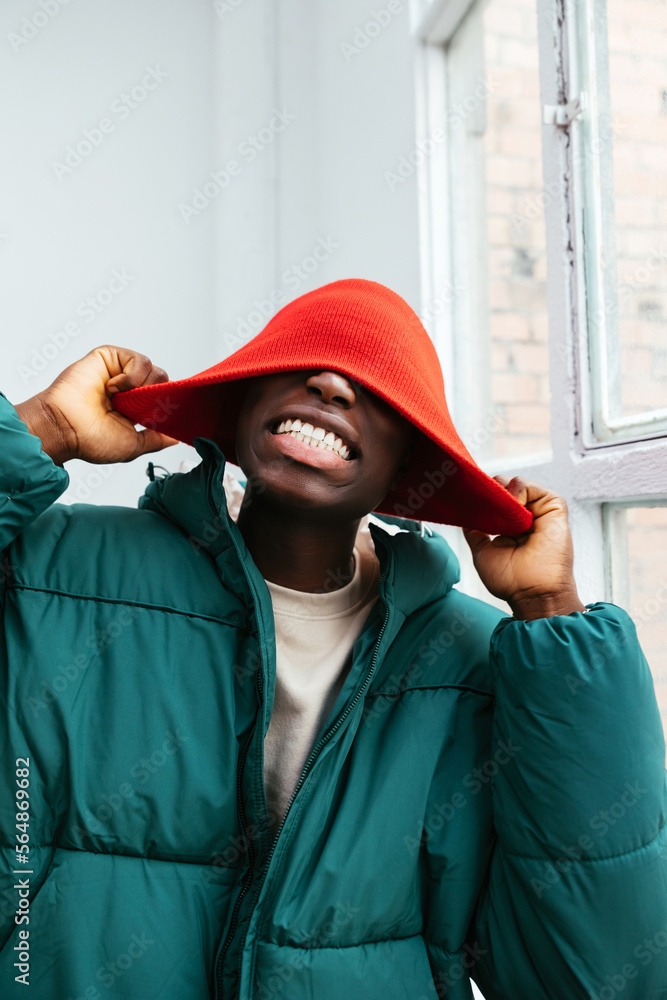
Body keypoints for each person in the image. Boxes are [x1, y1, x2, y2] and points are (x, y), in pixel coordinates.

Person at [0, 278, 665, 1000]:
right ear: (241, 407)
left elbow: (598, 971)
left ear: (407, 467)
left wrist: (549, 608)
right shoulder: (51, 571)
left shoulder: (469, 661)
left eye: (374, 388)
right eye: (299, 364)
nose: (328, 384)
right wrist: (47, 429)